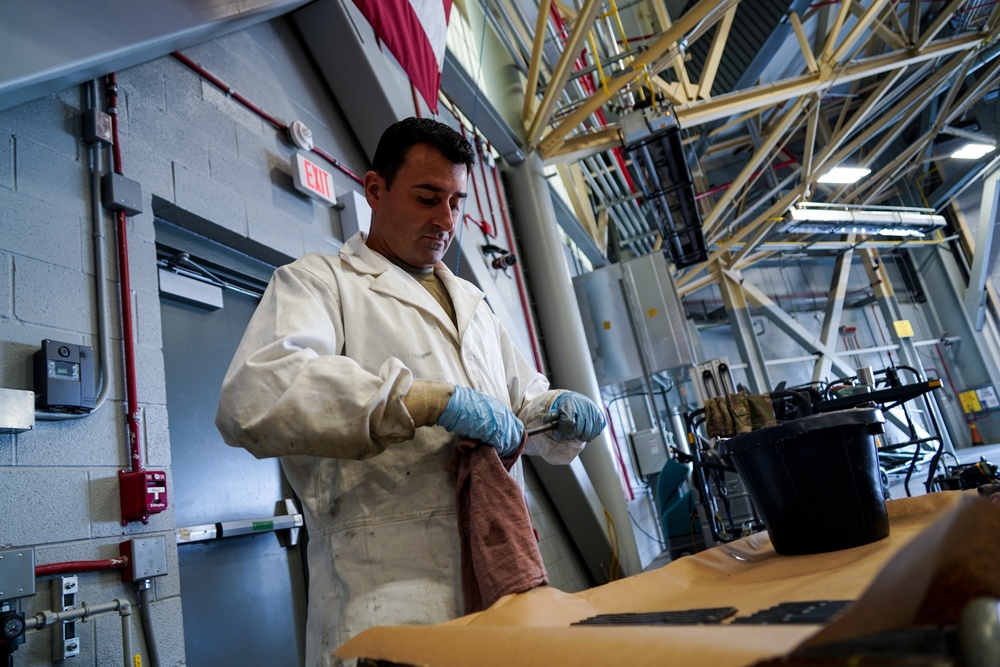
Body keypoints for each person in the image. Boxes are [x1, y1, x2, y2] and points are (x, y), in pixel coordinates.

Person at [215, 117, 606, 666]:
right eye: (427, 197)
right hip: (382, 588)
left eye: (456, 202)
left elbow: (520, 405)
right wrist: (422, 401)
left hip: (497, 574)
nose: (445, 221)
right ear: (375, 190)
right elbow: (254, 396)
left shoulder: (472, 303)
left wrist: (556, 412)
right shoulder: (320, 283)